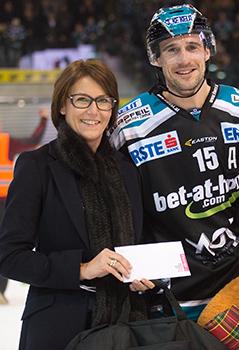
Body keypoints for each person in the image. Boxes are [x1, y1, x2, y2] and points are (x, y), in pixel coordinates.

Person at [109, 3, 239, 332]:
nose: (184, 59)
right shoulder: (129, 129)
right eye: (172, 49)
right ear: (155, 58)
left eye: (192, 46)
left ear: (208, 50)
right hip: (170, 301)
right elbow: (111, 210)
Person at [0, 59, 154, 350]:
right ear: (62, 106)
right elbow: (9, 257)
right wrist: (81, 269)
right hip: (59, 329)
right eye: (82, 100)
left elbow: (139, 240)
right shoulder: (37, 166)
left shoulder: (126, 168)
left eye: (103, 101)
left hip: (124, 326)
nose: (93, 111)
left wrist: (142, 273)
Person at [0, 107, 49, 304]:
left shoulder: (5, 141)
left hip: (4, 201)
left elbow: (32, 142)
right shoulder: (6, 141)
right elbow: (32, 141)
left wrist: (43, 122)